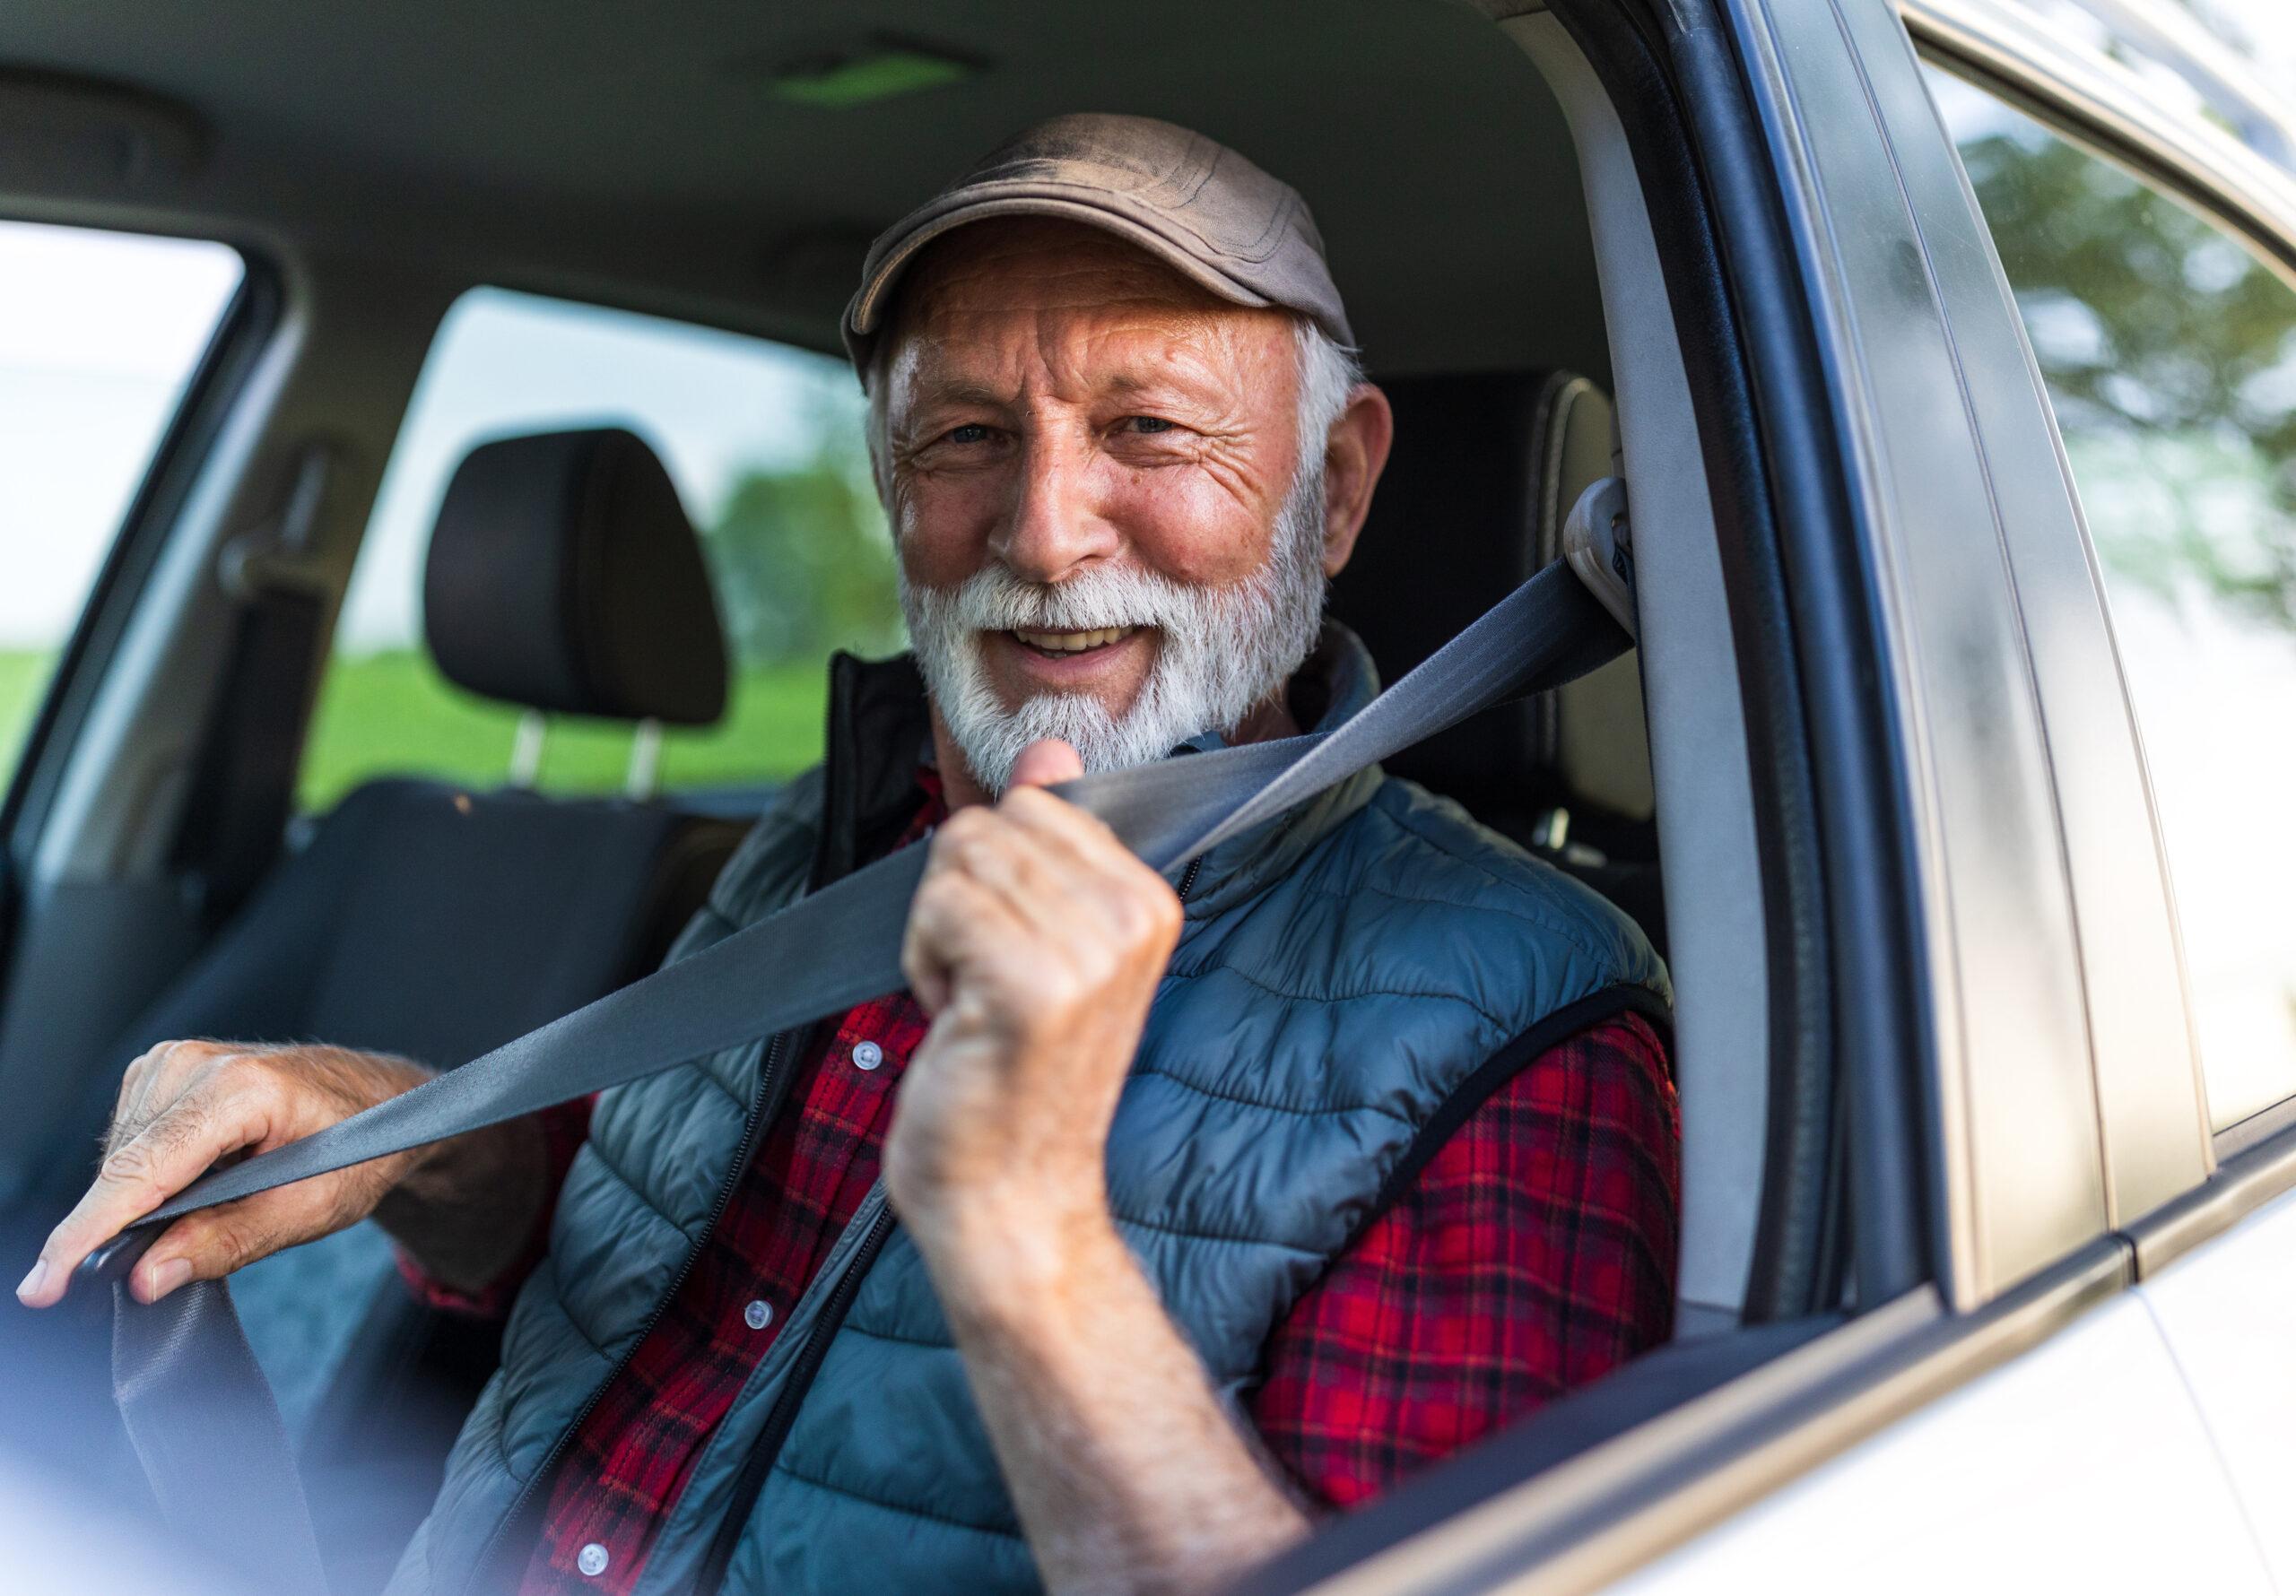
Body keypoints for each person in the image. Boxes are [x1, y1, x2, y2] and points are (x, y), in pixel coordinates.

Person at [20, 114, 1678, 1596]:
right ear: (893, 487)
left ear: (1332, 490)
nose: (1041, 532)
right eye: (963, 437)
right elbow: (636, 1264)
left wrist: (1025, 1235)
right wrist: (406, 1138)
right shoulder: (821, 857)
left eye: (1152, 432)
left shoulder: (1530, 1022)